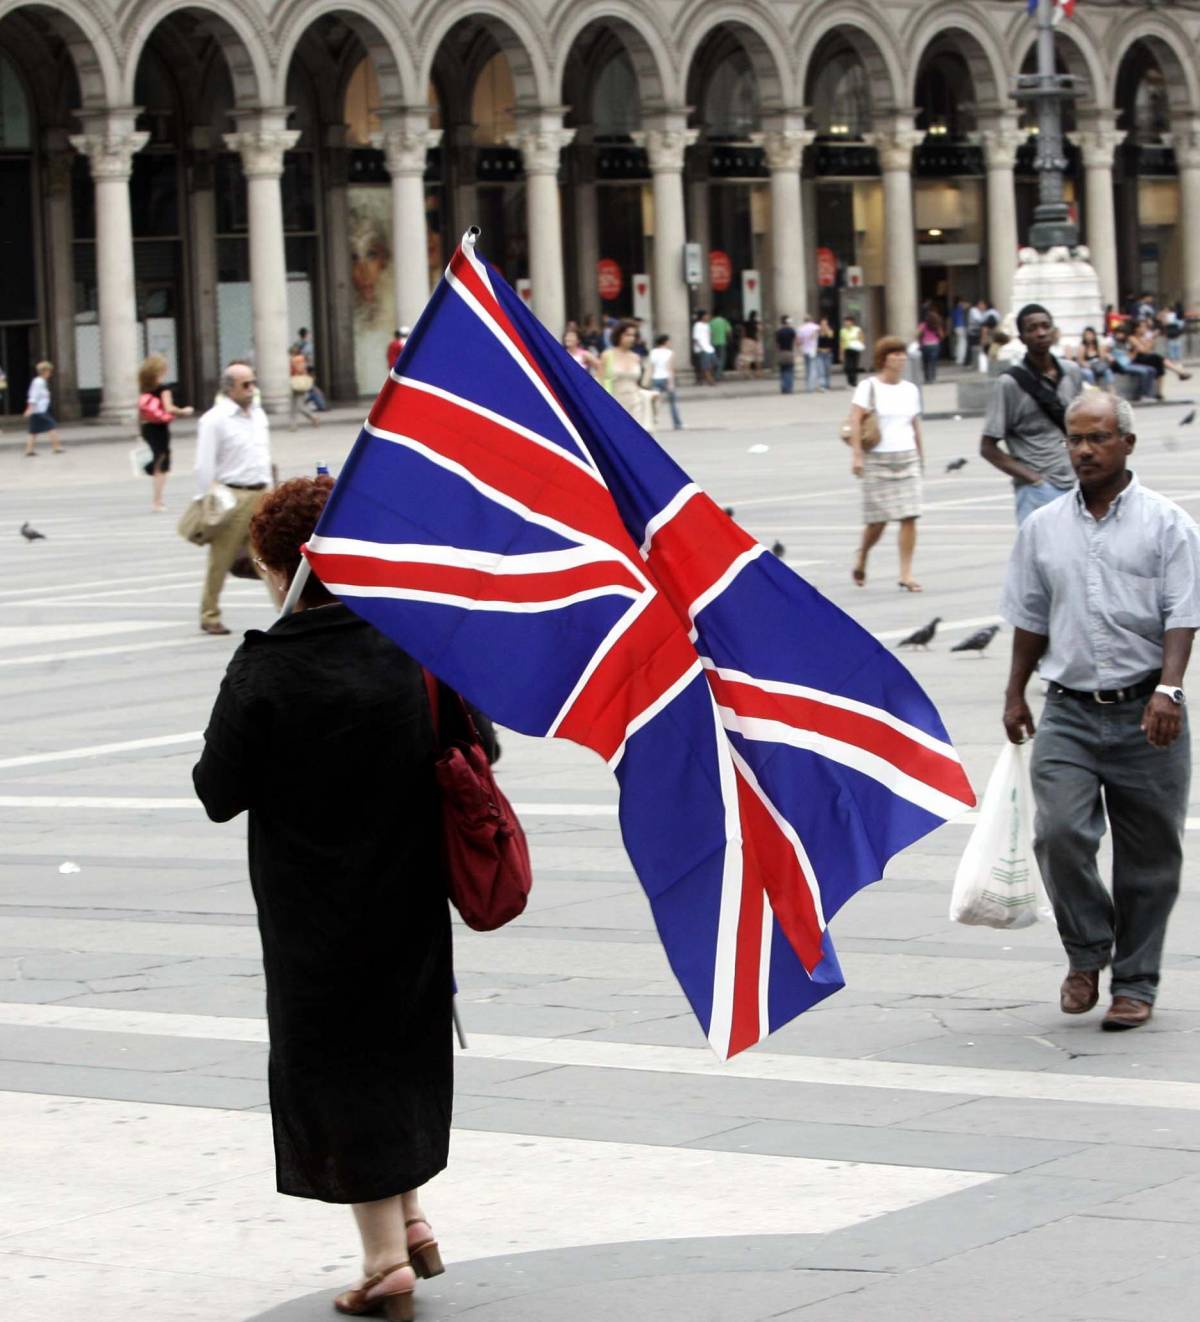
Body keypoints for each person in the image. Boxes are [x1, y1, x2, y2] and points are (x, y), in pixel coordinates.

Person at [193, 476, 491, 1320]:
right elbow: (480, 747)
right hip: (410, 893)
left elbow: (217, 790)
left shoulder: (265, 667)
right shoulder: (415, 646)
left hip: (312, 912)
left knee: (341, 1066)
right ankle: (413, 1217)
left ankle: (383, 1259)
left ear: (277, 565)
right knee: (401, 1050)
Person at [1001, 393, 1200, 1032]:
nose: (1084, 450)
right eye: (1075, 438)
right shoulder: (1043, 527)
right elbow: (1031, 619)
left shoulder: (1168, 525)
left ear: (1127, 444)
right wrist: (1013, 693)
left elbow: (1183, 614)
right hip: (1069, 711)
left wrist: (1169, 690)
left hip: (1149, 712)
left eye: (1098, 438)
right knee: (1058, 833)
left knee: (1149, 858)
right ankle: (1088, 952)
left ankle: (1134, 984)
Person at [979, 303, 1083, 525]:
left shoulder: (1071, 372)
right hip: (1039, 491)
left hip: (1077, 484)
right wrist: (1034, 479)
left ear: (1054, 331)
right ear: (1022, 337)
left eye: (1046, 326)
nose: (1041, 333)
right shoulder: (1009, 384)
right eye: (1032, 328)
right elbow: (987, 447)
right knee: (1040, 557)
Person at [194, 361, 273, 636]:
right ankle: (209, 613)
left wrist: (271, 492)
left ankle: (288, 611)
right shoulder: (215, 420)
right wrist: (210, 500)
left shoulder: (259, 415)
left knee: (268, 558)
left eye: (253, 382)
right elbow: (204, 466)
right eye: (245, 384)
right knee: (222, 559)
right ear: (230, 389)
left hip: (260, 491)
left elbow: (263, 457)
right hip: (233, 495)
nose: (252, 389)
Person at [847, 335, 925, 592]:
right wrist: (857, 454)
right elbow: (855, 420)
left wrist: (920, 454)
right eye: (895, 354)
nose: (901, 358)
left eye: (903, 354)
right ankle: (862, 555)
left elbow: (914, 424)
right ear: (883, 359)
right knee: (878, 522)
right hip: (878, 459)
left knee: (910, 515)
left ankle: (906, 573)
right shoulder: (868, 386)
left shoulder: (910, 389)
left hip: (906, 456)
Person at [138, 353, 193, 511]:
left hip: (147, 427)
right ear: (161, 370)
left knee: (159, 459)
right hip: (160, 428)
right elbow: (169, 408)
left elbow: (142, 411)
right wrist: (184, 411)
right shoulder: (164, 389)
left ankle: (151, 471)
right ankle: (157, 501)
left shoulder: (145, 388)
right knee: (162, 463)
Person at [602, 318, 651, 422]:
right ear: (618, 335)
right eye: (627, 335)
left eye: (633, 335)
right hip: (615, 403)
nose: (631, 338)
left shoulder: (636, 357)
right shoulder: (607, 355)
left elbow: (639, 382)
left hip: (636, 402)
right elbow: (601, 381)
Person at [1132, 319, 1191, 394]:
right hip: (1137, 359)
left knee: (1159, 363)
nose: (1144, 329)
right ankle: (1179, 370)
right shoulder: (1132, 338)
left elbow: (1149, 349)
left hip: (1147, 358)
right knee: (1158, 358)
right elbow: (1143, 351)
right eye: (1142, 327)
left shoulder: (1144, 338)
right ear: (1136, 329)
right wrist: (1151, 339)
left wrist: (1150, 340)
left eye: (1145, 327)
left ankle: (1160, 392)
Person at [23, 360, 62, 457]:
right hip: (40, 410)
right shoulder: (38, 382)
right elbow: (33, 396)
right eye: (49, 371)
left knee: (33, 431)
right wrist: (30, 408)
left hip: (38, 410)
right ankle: (57, 447)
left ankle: (29, 450)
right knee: (51, 426)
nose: (50, 373)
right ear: (45, 371)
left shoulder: (41, 382)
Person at [1109, 325, 1158, 399]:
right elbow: (1105, 353)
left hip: (1127, 363)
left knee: (1152, 370)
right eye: (1118, 333)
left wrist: (1135, 351)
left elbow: (1131, 357)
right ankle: (1142, 394)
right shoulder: (1111, 343)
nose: (1119, 335)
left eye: (1121, 333)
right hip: (1118, 365)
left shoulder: (1127, 344)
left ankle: (1148, 393)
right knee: (1143, 372)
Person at [649, 333, 683, 430]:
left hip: (655, 378)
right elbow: (670, 368)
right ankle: (677, 423)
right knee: (672, 403)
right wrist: (671, 383)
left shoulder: (653, 352)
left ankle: (652, 421)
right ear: (665, 342)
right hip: (666, 378)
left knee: (654, 403)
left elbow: (652, 367)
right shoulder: (670, 353)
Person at [288, 346, 321, 430]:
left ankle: (313, 417)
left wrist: (293, 364)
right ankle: (293, 425)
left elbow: (299, 370)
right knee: (294, 405)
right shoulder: (302, 358)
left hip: (297, 382)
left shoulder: (296, 359)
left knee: (298, 405)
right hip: (299, 382)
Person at [1075, 327, 1114, 391]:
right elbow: (1080, 361)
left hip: (1097, 365)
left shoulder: (1098, 345)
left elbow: (1102, 358)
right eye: (1086, 335)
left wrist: (1107, 355)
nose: (1088, 336)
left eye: (1090, 334)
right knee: (1089, 373)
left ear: (1094, 335)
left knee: (1107, 371)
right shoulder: (1082, 347)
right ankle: (1094, 389)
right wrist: (1089, 365)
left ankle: (1111, 389)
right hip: (1086, 366)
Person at [916, 308, 943, 384]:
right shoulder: (937, 325)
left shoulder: (923, 325)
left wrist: (921, 339)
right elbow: (941, 335)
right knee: (933, 363)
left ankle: (927, 378)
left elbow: (917, 334)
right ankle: (933, 378)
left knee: (925, 363)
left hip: (925, 345)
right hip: (935, 345)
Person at [691, 310, 716, 385]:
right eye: (706, 315)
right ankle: (710, 381)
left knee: (711, 365)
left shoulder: (707, 325)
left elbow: (709, 336)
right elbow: (696, 338)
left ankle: (701, 380)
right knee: (705, 366)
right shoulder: (697, 325)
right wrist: (701, 347)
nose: (708, 317)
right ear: (702, 317)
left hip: (708, 348)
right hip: (702, 349)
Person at [840, 315, 864, 389]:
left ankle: (854, 382)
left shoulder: (857, 329)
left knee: (854, 366)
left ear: (852, 322)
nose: (846, 323)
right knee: (848, 367)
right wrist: (841, 353)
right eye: (845, 322)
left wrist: (860, 344)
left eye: (848, 322)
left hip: (855, 349)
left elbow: (861, 338)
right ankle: (849, 382)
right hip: (847, 349)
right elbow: (842, 342)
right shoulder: (842, 331)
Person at [797, 313, 820, 392]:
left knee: (807, 369)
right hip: (812, 350)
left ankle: (807, 386)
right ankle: (811, 387)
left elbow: (799, 341)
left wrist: (799, 349)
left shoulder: (801, 328)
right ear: (811, 319)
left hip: (804, 350)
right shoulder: (815, 327)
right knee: (812, 369)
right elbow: (818, 334)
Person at [775, 315, 797, 394]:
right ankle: (789, 388)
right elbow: (795, 341)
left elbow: (777, 344)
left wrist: (778, 352)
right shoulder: (791, 330)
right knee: (789, 371)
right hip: (789, 352)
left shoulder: (778, 332)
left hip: (781, 352)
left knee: (782, 371)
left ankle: (783, 388)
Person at [709, 309, 731, 379]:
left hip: (713, 342)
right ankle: (717, 375)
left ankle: (714, 373)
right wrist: (729, 339)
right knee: (722, 359)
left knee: (714, 359)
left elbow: (709, 333)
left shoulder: (711, 322)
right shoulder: (724, 321)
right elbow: (728, 332)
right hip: (722, 342)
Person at [816, 316, 836, 391]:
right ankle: (822, 385)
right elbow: (815, 342)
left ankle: (827, 384)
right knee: (821, 370)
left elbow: (831, 339)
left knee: (827, 370)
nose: (823, 325)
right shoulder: (817, 332)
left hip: (828, 353)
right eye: (822, 324)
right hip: (820, 353)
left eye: (825, 324)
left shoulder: (830, 331)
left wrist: (827, 331)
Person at [951, 297, 969, 366]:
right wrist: (962, 303)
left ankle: (958, 358)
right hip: (961, 327)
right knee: (963, 343)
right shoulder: (959, 307)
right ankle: (961, 359)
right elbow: (968, 305)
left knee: (958, 343)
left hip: (956, 327)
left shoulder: (954, 309)